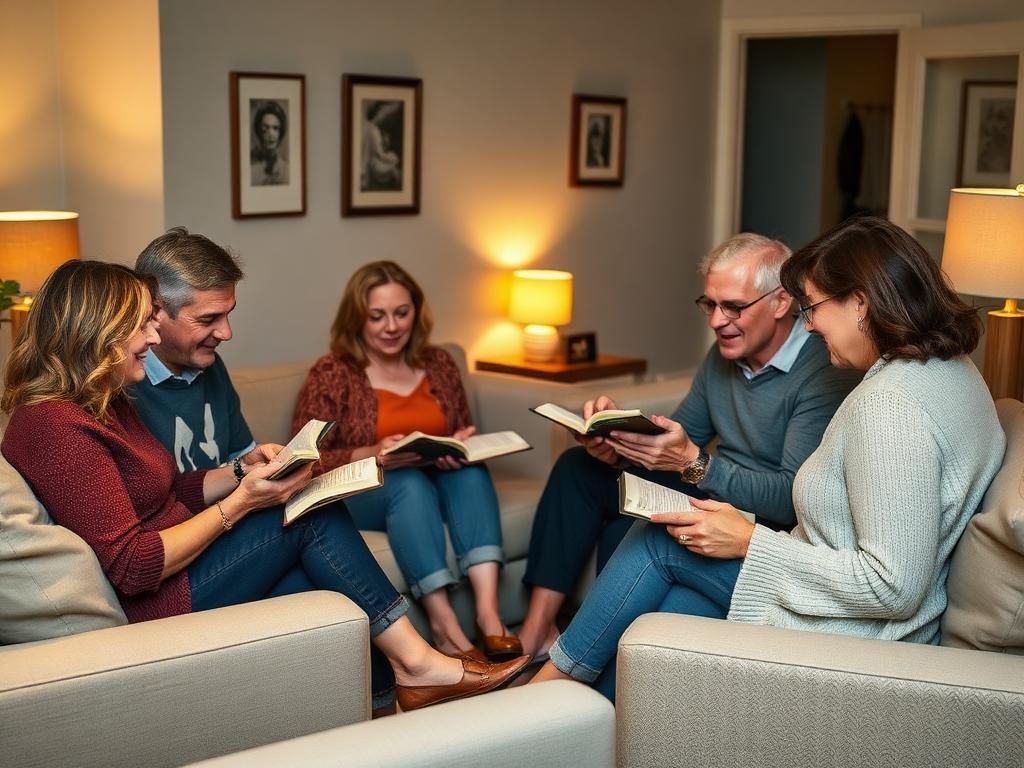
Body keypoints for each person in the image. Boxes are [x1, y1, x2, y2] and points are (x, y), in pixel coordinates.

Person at [0, 261, 529, 714]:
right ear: (101, 333)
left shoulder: (103, 400)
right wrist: (241, 503)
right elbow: (135, 566)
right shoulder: (54, 426)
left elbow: (169, 490)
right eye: (141, 326)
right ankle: (420, 664)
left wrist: (240, 472)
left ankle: (387, 714)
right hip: (157, 598)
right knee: (309, 512)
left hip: (179, 569)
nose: (153, 338)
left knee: (335, 600)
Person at [529, 216, 1005, 699]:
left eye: (815, 307)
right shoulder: (951, 372)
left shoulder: (890, 404)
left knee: (660, 538)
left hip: (857, 631)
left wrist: (750, 541)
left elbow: (891, 587)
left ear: (860, 303)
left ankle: (547, 693)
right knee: (664, 615)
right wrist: (624, 441)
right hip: (843, 604)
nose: (811, 321)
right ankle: (579, 722)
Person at [517, 233, 863, 659]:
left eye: (733, 306)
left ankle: (602, 655)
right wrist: (616, 438)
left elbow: (789, 499)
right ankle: (538, 630)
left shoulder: (822, 369)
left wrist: (696, 464)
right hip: (710, 483)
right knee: (579, 467)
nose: (717, 321)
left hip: (754, 519)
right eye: (710, 305)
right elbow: (682, 433)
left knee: (629, 526)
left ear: (781, 302)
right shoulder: (723, 356)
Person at [292, 260, 521, 662]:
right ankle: (444, 625)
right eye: (377, 316)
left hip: (441, 478)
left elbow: (461, 425)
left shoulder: (439, 363)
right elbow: (303, 460)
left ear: (417, 311)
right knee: (407, 484)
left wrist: (458, 444)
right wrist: (374, 453)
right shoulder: (332, 373)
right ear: (357, 318)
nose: (392, 327)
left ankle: (489, 617)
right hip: (372, 490)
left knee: (470, 473)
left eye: (402, 313)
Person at [131, 227, 255, 474]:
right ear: (155, 312)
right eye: (209, 319)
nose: (226, 333)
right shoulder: (124, 382)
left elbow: (241, 457)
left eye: (228, 315)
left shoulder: (211, 366)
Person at [250, 100, 289, 186]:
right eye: (265, 129)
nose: (271, 134)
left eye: (275, 128)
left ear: (281, 133)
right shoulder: (249, 169)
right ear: (259, 132)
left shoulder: (288, 170)